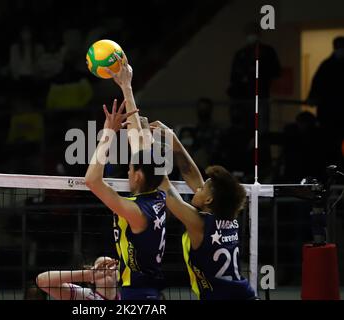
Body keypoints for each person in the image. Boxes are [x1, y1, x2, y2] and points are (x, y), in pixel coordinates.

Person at [85, 54, 167, 300]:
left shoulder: (136, 211)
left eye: (131, 168)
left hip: (138, 296)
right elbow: (138, 142)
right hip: (146, 291)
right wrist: (126, 86)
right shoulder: (159, 192)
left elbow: (92, 180)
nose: (128, 171)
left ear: (139, 176)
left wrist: (108, 134)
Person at [150, 120, 256, 300]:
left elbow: (163, 184)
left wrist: (145, 145)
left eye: (202, 188)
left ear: (208, 199)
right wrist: (172, 137)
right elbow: (189, 172)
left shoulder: (200, 223)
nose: (197, 188)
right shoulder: (228, 218)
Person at [307, 36, 344, 167]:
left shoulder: (327, 65)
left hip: (336, 112)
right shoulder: (327, 65)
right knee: (329, 143)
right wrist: (312, 96)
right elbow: (316, 83)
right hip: (328, 113)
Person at [36, 256, 119, 300]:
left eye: (110, 265)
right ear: (92, 280)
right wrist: (88, 275)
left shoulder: (128, 295)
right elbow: (42, 280)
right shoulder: (83, 295)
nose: (105, 270)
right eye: (100, 267)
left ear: (118, 275)